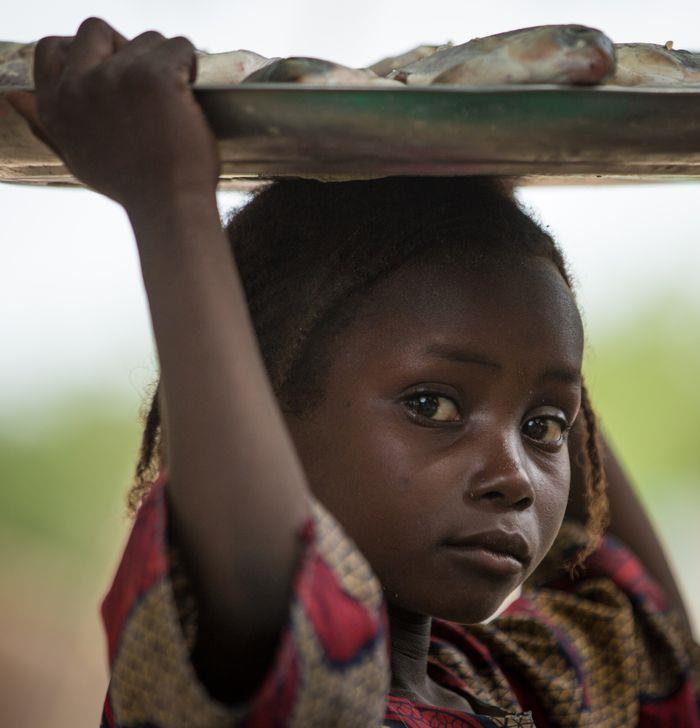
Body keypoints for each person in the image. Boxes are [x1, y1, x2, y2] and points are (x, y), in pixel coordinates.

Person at [8, 17, 699, 728]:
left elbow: (659, 648)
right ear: (265, 412)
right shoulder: (270, 676)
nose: (515, 477)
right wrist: (168, 202)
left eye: (545, 425)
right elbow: (261, 577)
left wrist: (488, 180)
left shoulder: (518, 683)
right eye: (433, 405)